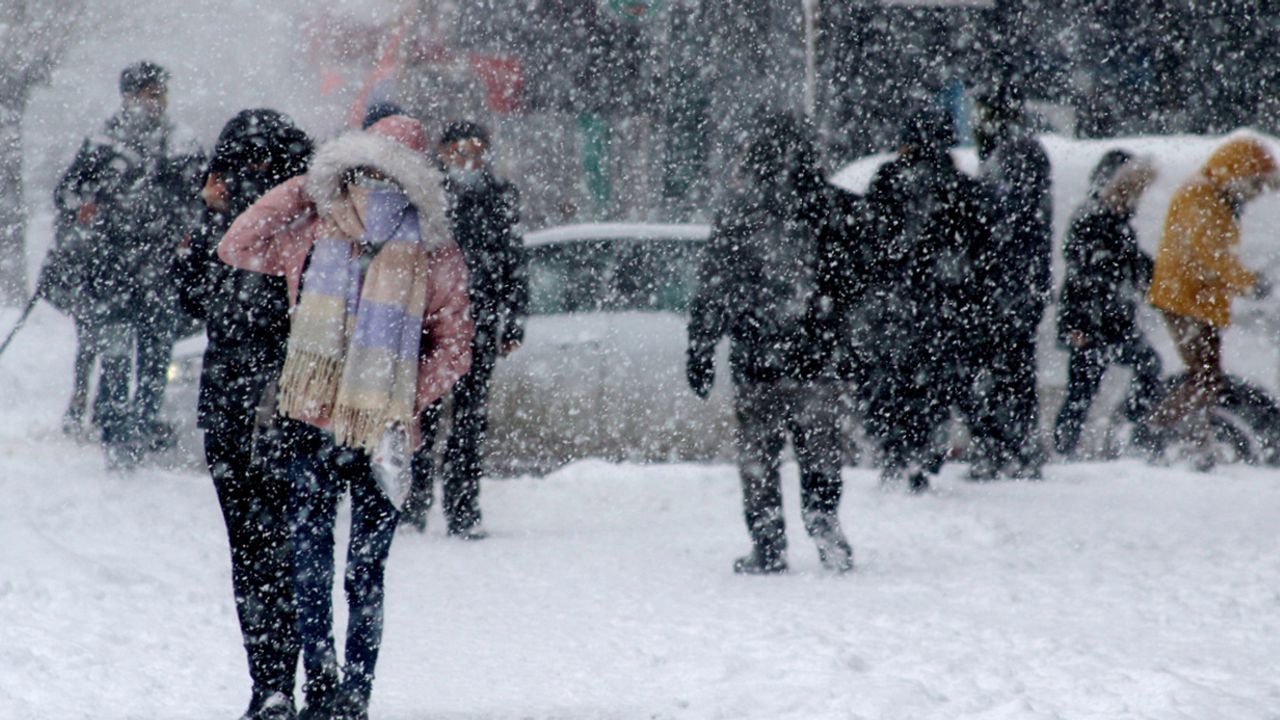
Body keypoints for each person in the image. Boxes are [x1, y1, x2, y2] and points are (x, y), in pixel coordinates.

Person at [219, 115, 473, 719]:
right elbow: (237, 245)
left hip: (348, 428)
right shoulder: (334, 232)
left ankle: (334, 687)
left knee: (329, 564)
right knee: (348, 568)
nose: (370, 184)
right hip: (352, 430)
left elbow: (238, 242)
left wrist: (396, 399)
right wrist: (401, 399)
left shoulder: (343, 235)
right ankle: (343, 690)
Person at [175, 109, 312, 720]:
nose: (248, 175)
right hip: (238, 406)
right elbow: (189, 295)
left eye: (257, 162)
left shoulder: (302, 222)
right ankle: (273, 682)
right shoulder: (227, 225)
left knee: (277, 550)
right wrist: (207, 214)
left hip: (283, 403)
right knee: (259, 551)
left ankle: (283, 680)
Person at [687, 112, 852, 575]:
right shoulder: (830, 208)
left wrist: (701, 348)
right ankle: (824, 524)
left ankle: (768, 544)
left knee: (759, 459)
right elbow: (854, 284)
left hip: (758, 359)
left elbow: (715, 287)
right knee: (820, 455)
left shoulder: (740, 212)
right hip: (817, 359)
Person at [54, 60, 206, 467]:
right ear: (128, 97)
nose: (157, 102)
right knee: (117, 359)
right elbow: (66, 194)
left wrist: (189, 230)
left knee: (155, 362)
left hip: (160, 272)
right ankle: (116, 437)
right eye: (149, 94)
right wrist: (84, 206)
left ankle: (138, 434)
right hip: (112, 271)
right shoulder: (102, 143)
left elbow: (202, 198)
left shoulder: (182, 142)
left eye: (160, 93)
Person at [401, 121, 527, 538]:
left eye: (478, 152)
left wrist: (514, 321)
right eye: (461, 152)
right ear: (443, 152)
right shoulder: (426, 195)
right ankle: (413, 504)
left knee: (470, 421)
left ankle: (463, 509)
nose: (470, 161)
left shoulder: (500, 196)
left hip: (480, 322)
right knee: (423, 416)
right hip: (432, 324)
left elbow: (514, 260)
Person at [861, 109, 991, 492]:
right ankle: (923, 455)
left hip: (896, 304)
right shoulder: (960, 186)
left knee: (892, 383)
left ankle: (894, 453)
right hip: (945, 307)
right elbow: (980, 250)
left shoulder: (888, 180)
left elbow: (868, 239)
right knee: (935, 386)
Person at [1147, 137, 1277, 468]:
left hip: (1198, 301)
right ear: (1237, 174)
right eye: (1255, 185)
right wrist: (1248, 283)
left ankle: (1194, 440)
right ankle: (1156, 431)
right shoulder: (1200, 195)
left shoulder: (1217, 196)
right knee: (1205, 379)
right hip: (1185, 301)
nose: (1256, 194)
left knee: (1207, 379)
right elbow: (1212, 254)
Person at [1053, 150, 1161, 458]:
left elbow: (1132, 263)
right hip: (1091, 324)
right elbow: (1083, 276)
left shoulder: (1115, 220)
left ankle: (1120, 430)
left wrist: (1158, 277)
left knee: (1088, 389)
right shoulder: (1092, 218)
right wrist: (1079, 326)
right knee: (1083, 391)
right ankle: (1070, 448)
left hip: (1111, 322)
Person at [969, 85, 1053, 480]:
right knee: (1011, 369)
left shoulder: (1015, 154)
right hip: (1014, 284)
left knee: (1006, 369)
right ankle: (1010, 448)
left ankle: (1007, 449)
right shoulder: (1017, 151)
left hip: (1008, 286)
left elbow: (1006, 219)